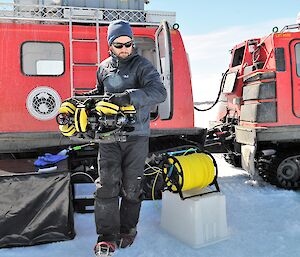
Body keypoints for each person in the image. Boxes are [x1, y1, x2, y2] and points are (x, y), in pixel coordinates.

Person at [93, 20, 167, 256]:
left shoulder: (142, 66)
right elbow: (99, 94)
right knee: (106, 186)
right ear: (110, 46)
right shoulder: (103, 67)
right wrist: (88, 101)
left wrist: (128, 97)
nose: (125, 49)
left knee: (132, 186)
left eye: (128, 44)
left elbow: (159, 92)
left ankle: (128, 229)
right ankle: (106, 236)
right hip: (108, 137)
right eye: (119, 44)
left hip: (136, 136)